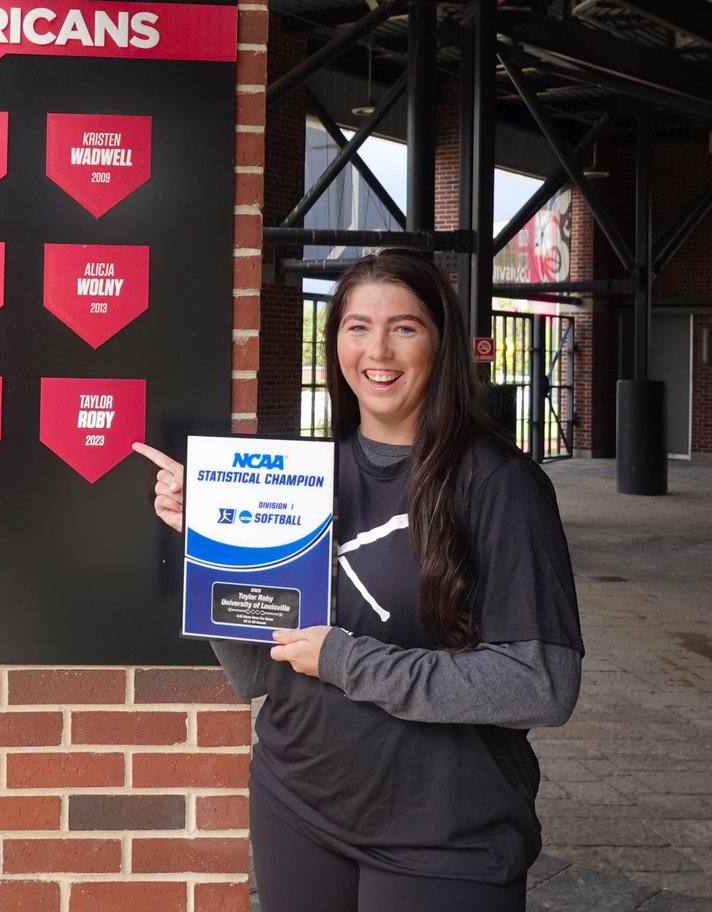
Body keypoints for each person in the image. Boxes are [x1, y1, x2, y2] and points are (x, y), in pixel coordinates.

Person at [133, 248, 582, 912]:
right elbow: (256, 675)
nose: (380, 349)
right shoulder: (304, 476)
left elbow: (543, 686)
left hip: (442, 832)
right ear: (336, 341)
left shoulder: (498, 483)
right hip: (298, 805)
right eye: (358, 326)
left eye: (405, 326)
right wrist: (214, 553)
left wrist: (347, 659)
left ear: (441, 342)